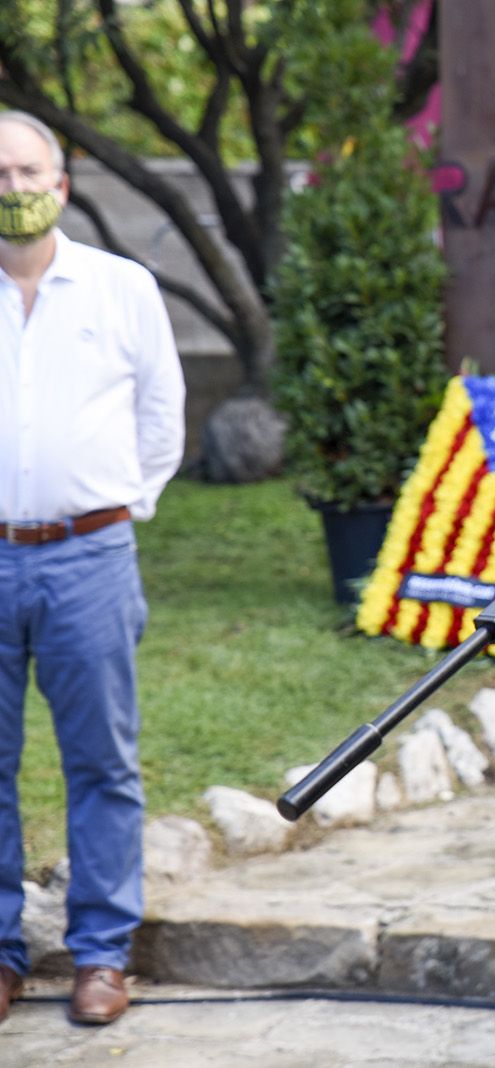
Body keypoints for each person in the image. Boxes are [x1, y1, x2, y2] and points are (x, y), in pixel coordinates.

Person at [0, 110, 186, 1027]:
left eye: (27, 169)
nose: (13, 186)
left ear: (61, 183)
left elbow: (161, 420)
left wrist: (111, 507)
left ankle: (101, 954)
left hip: (90, 557)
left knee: (102, 764)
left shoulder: (121, 289)